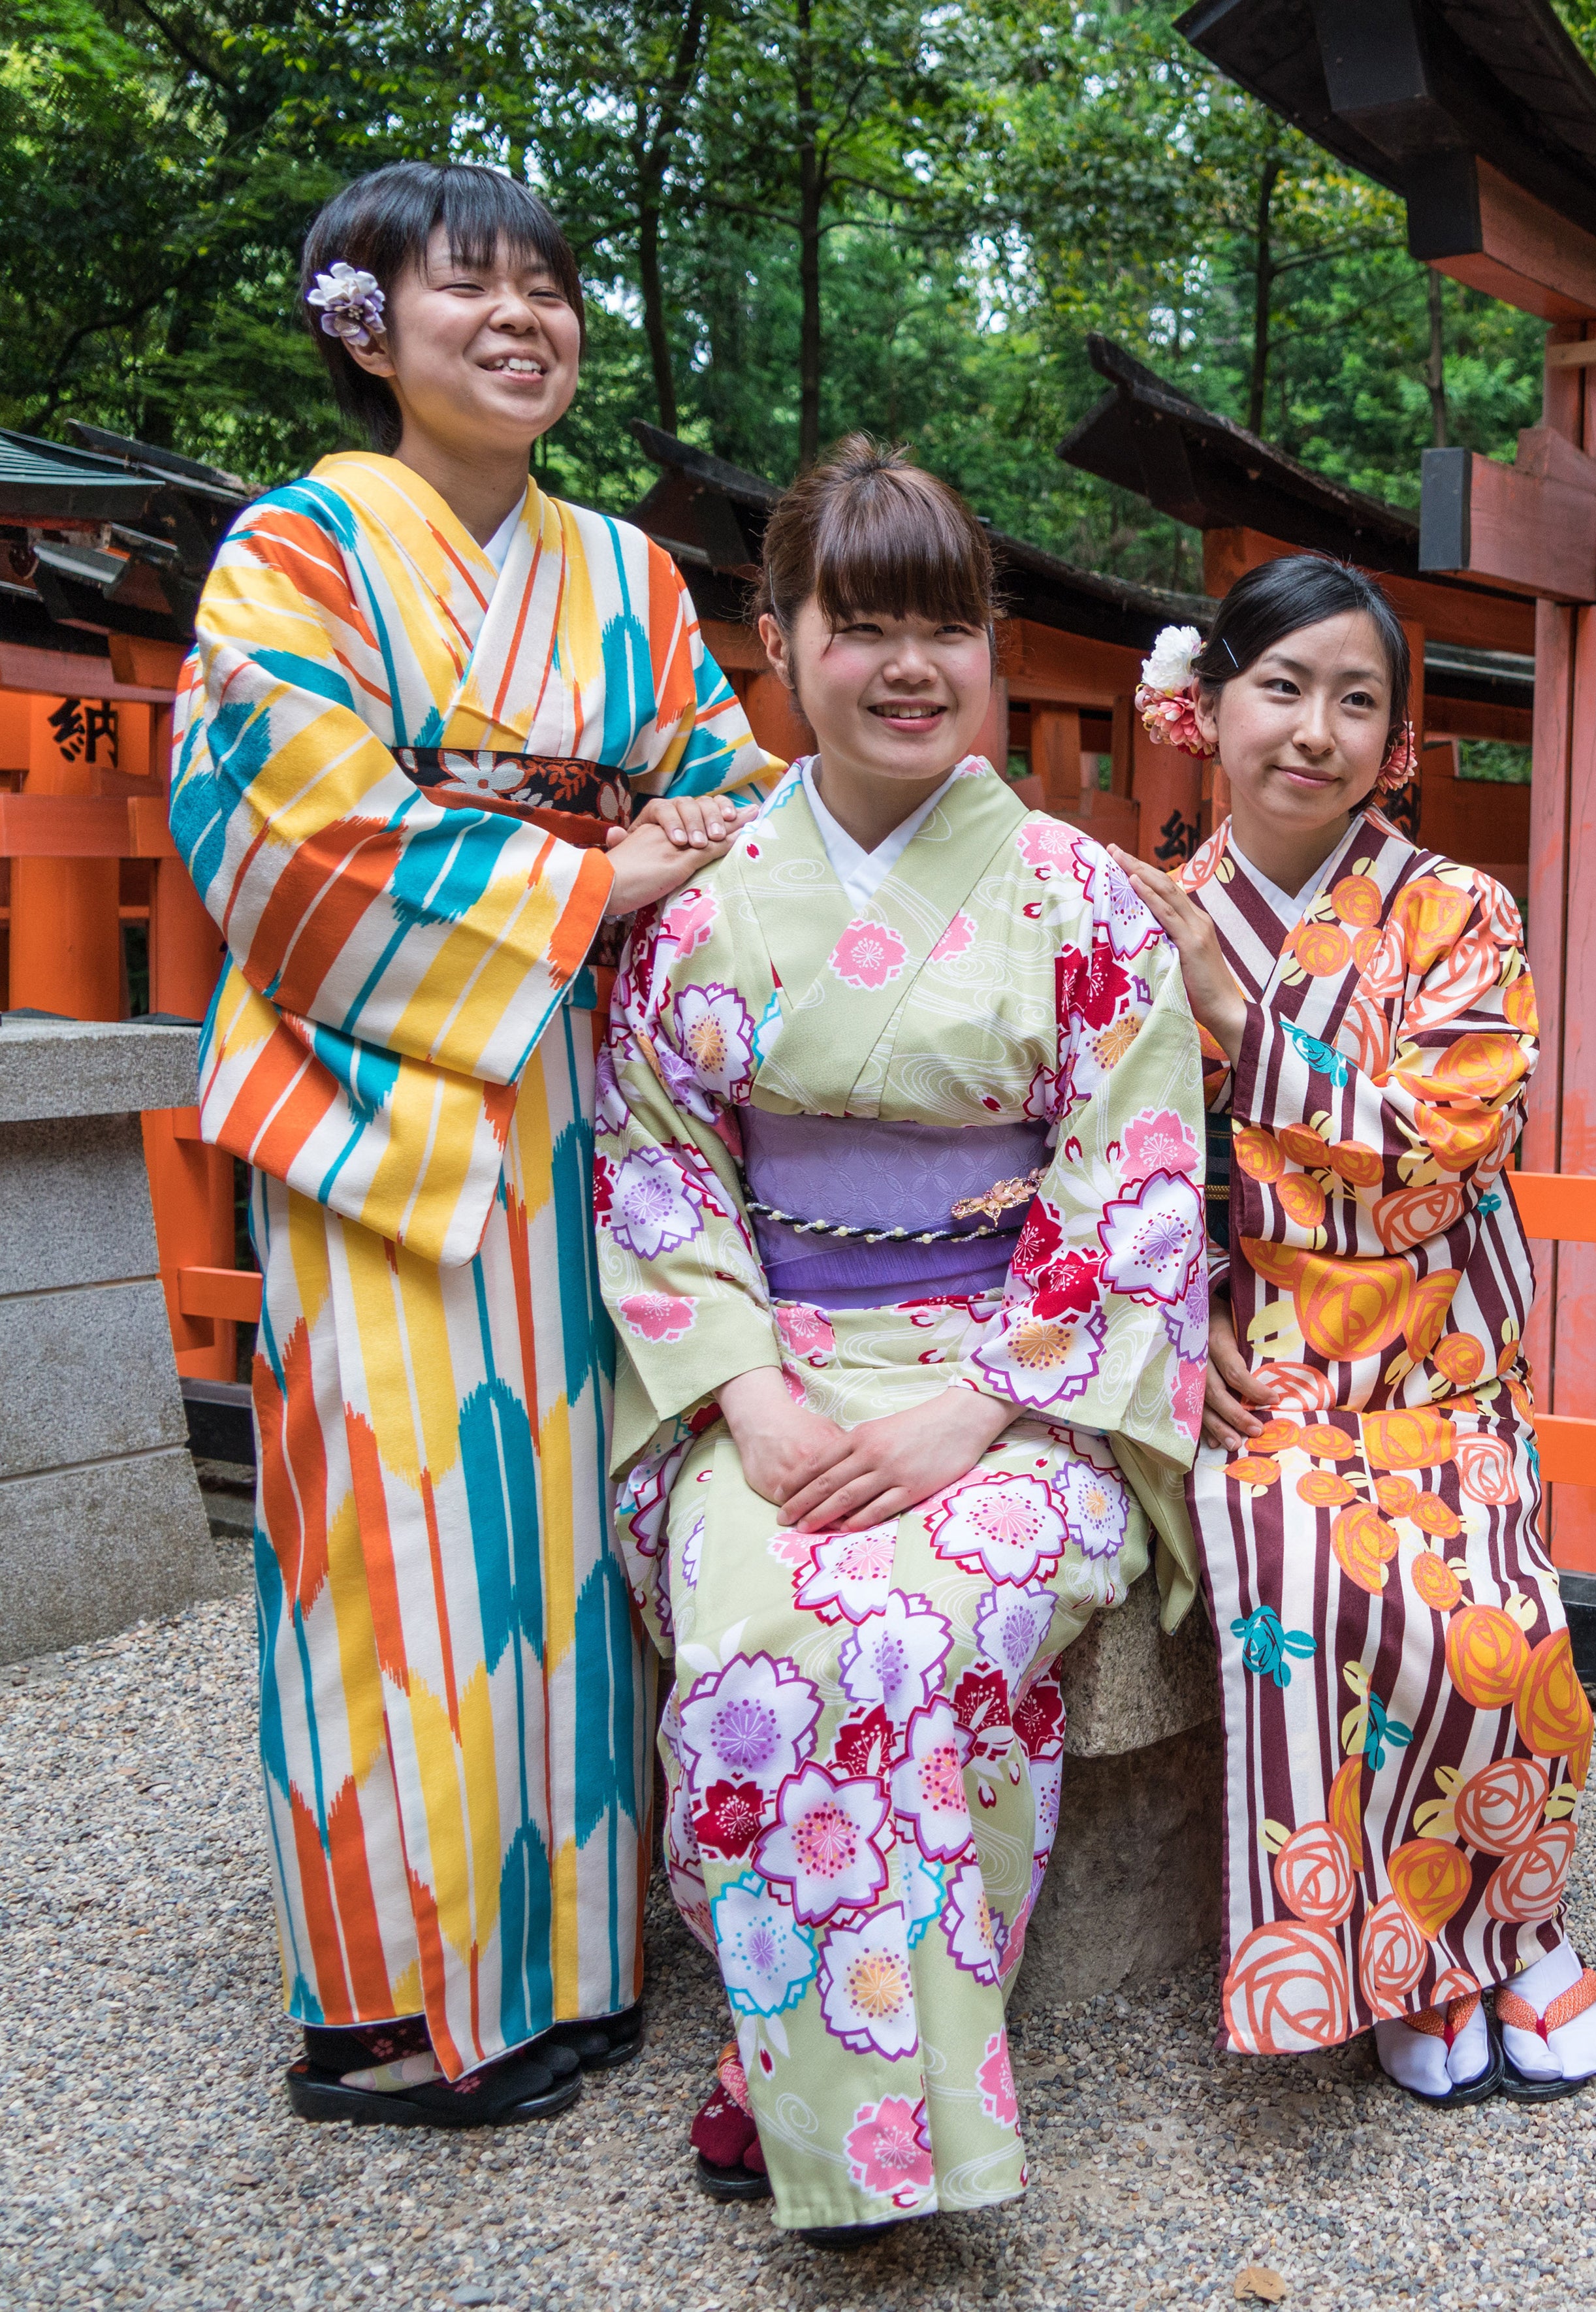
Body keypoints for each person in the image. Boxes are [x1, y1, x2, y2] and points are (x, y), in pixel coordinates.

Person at [170, 161, 776, 2128]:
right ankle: (399, 2000)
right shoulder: (296, 549)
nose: (522, 322)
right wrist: (599, 869)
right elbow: (299, 824)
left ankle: (580, 1960)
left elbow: (728, 793)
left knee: (571, 1534)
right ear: (365, 325)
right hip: (386, 1101)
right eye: (468, 290)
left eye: (548, 292)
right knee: (397, 1532)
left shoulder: (629, 572)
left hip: (592, 1095)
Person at [596, 436, 1208, 2240]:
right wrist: (746, 1402)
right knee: (759, 1618)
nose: (910, 665)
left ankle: (804, 2080)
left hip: (1020, 1389)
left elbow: (1137, 1186)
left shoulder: (1084, 900)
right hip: (775, 1374)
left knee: (919, 1620)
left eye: (946, 623)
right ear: (776, 643)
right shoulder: (699, 908)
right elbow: (655, 1170)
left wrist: (985, 1409)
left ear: (994, 649)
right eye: (860, 625)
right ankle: (838, 2081)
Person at [1111, 554, 1596, 2109]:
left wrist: (1234, 1013)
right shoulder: (1141, 918)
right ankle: (1396, 1958)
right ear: (1204, 712)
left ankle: (1509, 1927)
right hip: (1258, 1363)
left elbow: (1446, 1137)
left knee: (1497, 1620)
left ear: (1397, 747)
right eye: (1280, 687)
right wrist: (1175, 1332)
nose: (1312, 729)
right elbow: (1102, 1163)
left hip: (1436, 1358)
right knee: (1314, 1588)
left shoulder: (1457, 910)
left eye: (1355, 701)